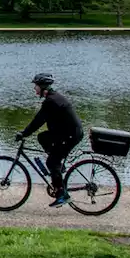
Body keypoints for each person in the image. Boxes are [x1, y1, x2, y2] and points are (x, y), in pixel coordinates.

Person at [16, 72, 83, 207]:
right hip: (68, 133)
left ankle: (62, 194)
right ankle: (57, 168)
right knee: (42, 138)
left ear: (42, 87)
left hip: (71, 135)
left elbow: (38, 121)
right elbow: (41, 121)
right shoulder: (53, 98)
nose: (35, 89)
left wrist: (23, 134)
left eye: (36, 86)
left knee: (52, 161)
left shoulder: (51, 102)